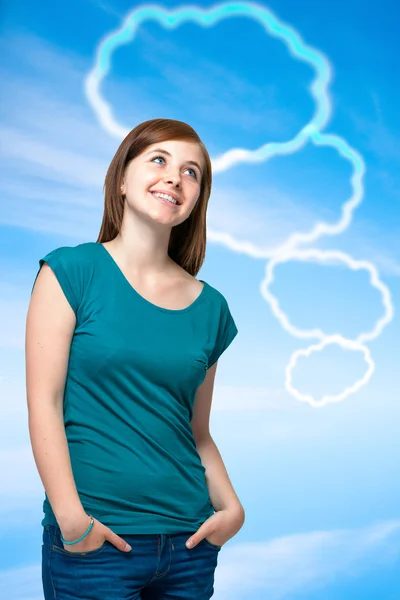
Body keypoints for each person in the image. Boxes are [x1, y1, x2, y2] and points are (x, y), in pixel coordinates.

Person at [26, 118, 244, 599]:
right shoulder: (71, 271)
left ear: (196, 201)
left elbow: (197, 431)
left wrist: (231, 509)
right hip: (96, 546)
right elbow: (44, 403)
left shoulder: (212, 307)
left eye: (192, 172)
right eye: (160, 160)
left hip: (190, 546)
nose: (175, 177)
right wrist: (72, 522)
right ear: (121, 179)